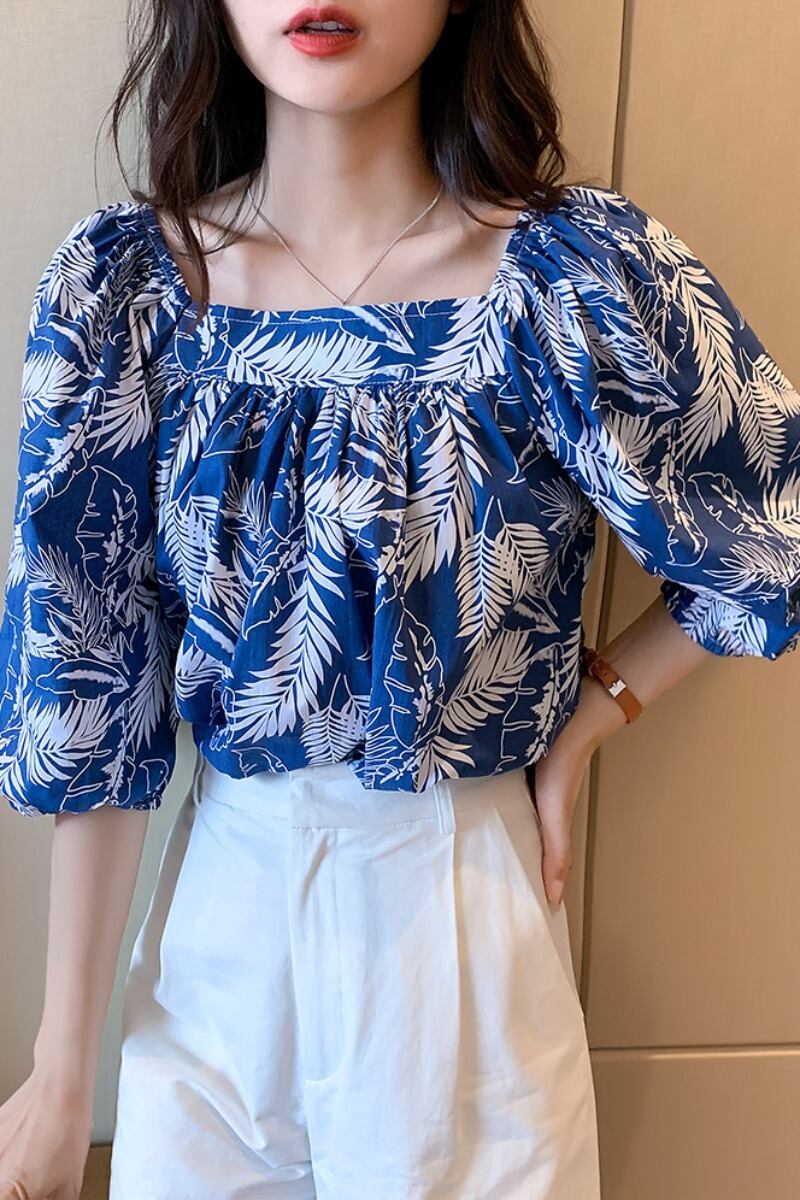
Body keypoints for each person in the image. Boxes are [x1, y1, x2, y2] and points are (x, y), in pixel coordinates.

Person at [1, 0, 799, 1197]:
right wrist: (62, 1072)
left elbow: (770, 525)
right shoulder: (131, 297)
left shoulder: (567, 281)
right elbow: (92, 695)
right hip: (218, 943)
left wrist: (590, 718)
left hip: (465, 921)